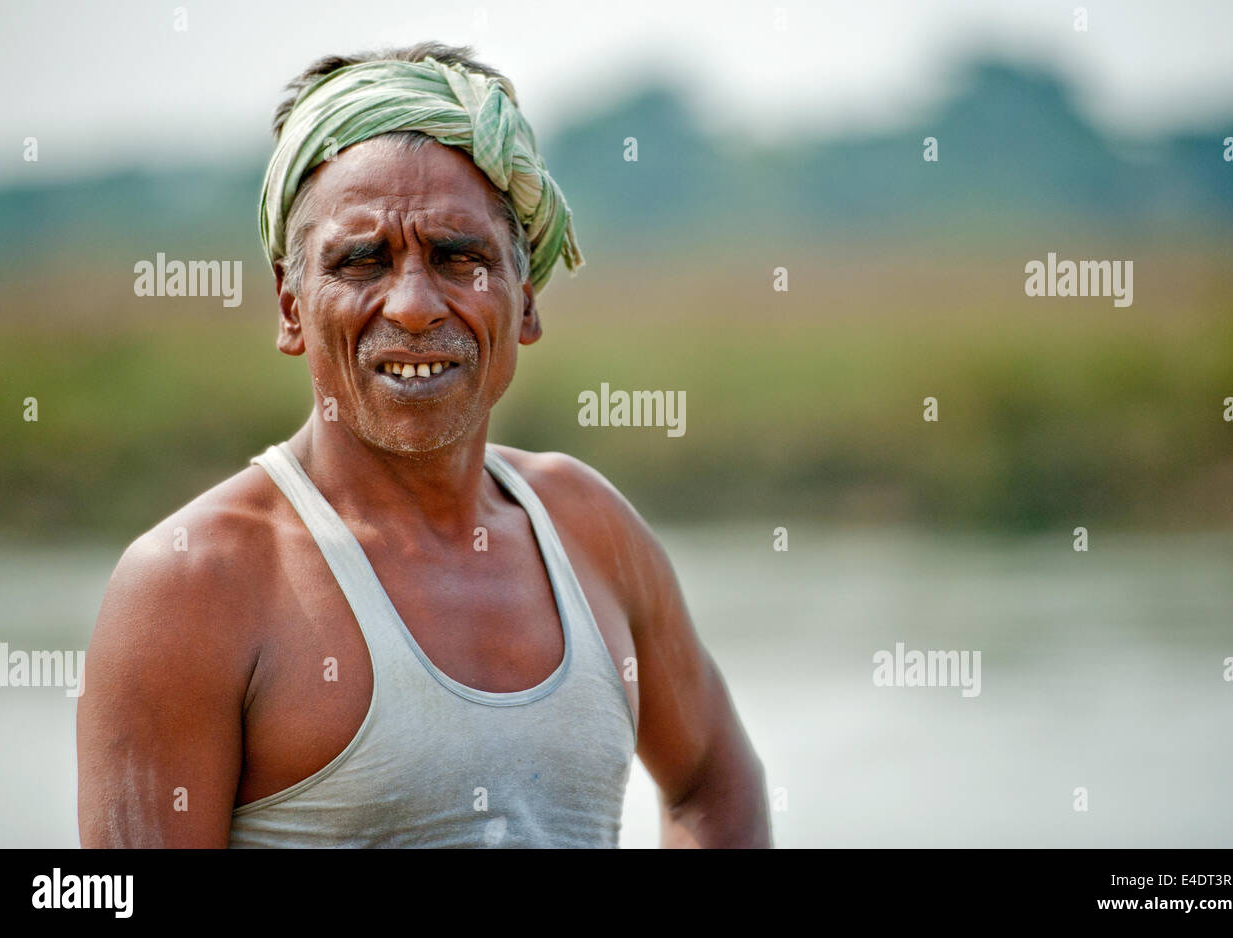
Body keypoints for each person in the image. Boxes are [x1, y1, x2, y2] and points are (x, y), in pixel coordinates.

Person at [77, 42, 770, 848]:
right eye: (362, 261)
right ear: (293, 306)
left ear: (527, 300)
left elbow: (712, 782)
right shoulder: (192, 584)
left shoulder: (587, 527)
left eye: (457, 257)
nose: (410, 305)